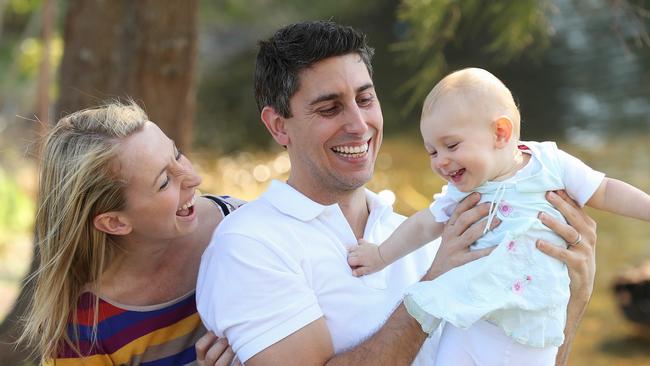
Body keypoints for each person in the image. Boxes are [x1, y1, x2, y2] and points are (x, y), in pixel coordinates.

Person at [196, 21, 598, 366]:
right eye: (329, 108)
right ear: (279, 126)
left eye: (365, 98)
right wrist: (433, 288)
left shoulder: (417, 232)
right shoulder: (251, 246)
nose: (359, 124)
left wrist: (572, 299)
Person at [347, 67, 650, 364]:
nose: (441, 161)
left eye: (451, 145)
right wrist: (380, 256)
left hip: (534, 319)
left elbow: (606, 191)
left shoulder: (551, 165)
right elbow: (424, 225)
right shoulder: (462, 192)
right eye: (432, 152)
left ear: (500, 133)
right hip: (471, 320)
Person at [19, 102, 243, 366]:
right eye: (164, 181)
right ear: (114, 222)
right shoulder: (82, 336)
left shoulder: (240, 225)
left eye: (177, 154)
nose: (193, 178)